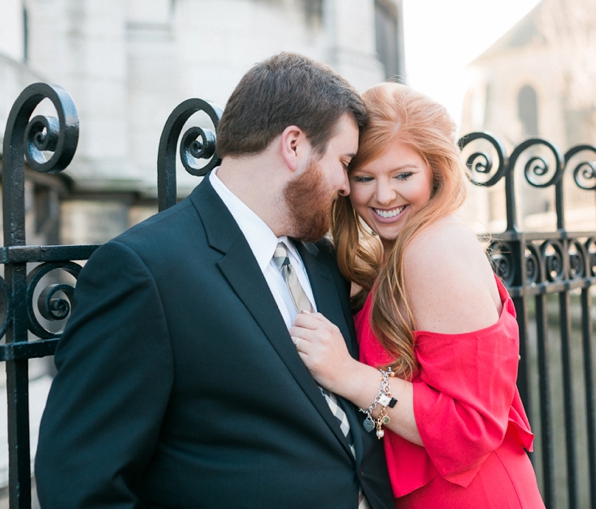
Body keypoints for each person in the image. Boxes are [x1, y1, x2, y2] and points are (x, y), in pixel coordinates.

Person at [35, 53, 394, 509]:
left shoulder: (321, 261)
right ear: (294, 146)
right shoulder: (143, 270)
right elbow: (79, 484)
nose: (346, 185)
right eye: (343, 162)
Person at [289, 82, 546, 508]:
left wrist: (346, 373)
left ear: (436, 171)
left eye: (403, 175)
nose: (384, 195)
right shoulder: (399, 250)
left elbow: (470, 426)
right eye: (364, 178)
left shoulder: (434, 248)